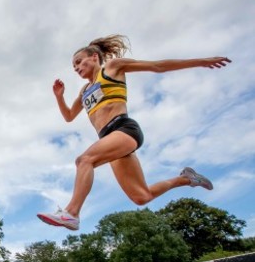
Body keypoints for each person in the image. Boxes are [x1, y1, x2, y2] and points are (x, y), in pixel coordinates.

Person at [37, 34, 231, 231]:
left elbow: (157, 66)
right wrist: (59, 97)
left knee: (84, 160)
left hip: (124, 129)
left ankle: (72, 213)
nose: (77, 68)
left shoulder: (112, 68)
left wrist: (201, 62)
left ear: (94, 57)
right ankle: (188, 178)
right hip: (109, 139)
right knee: (141, 196)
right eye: (74, 67)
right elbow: (69, 116)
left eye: (79, 62)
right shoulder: (84, 90)